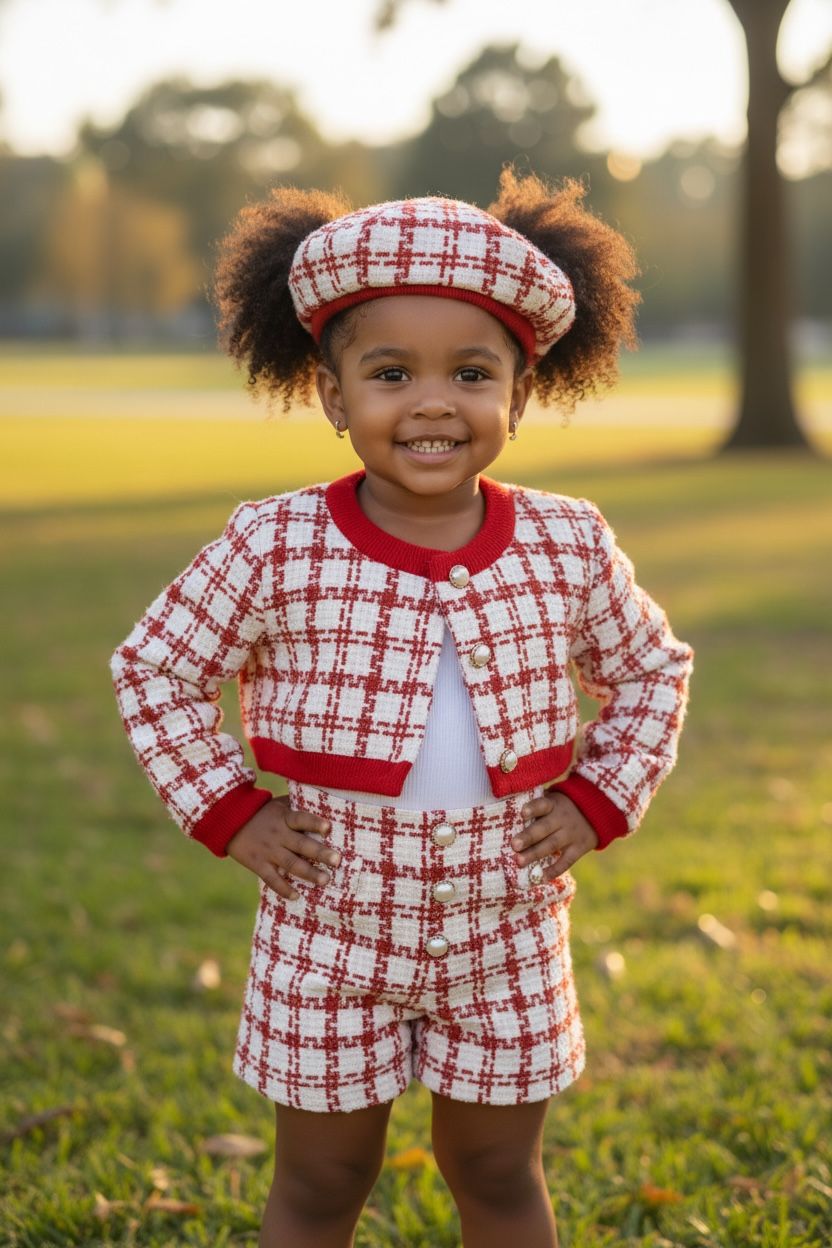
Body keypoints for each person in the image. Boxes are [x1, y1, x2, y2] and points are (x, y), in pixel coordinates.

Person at [110, 170, 693, 1248]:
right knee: (324, 1179)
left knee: (497, 1168)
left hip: (505, 918)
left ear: (519, 394)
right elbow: (154, 668)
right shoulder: (273, 544)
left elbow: (654, 669)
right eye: (389, 373)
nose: (431, 402)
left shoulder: (566, 543)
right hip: (327, 917)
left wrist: (600, 797)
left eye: (471, 373)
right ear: (331, 396)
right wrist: (235, 813)